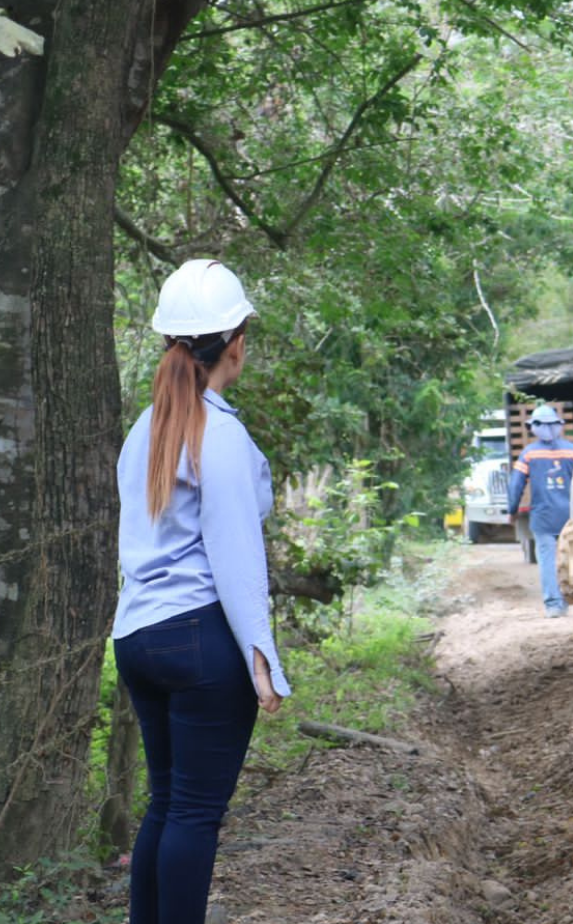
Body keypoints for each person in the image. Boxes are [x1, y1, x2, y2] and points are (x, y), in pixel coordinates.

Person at [112, 259, 290, 924]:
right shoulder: (220, 435)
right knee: (193, 813)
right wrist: (261, 655)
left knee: (166, 805)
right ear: (236, 343)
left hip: (138, 636)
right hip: (197, 640)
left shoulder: (145, 430)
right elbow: (236, 551)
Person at [508, 404, 573, 617]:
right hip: (571, 516)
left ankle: (554, 605)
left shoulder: (529, 454)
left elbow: (516, 485)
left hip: (543, 517)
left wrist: (512, 510)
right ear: (558, 425)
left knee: (548, 560)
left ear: (534, 427)